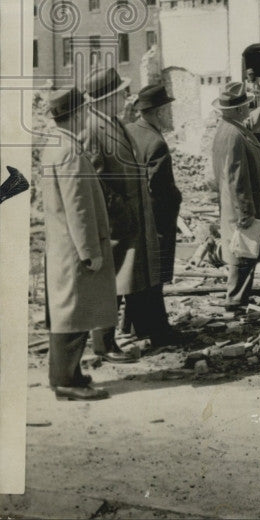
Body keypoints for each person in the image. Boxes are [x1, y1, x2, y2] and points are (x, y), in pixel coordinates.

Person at [82, 66, 162, 361]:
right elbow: (96, 181)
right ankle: (103, 343)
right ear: (106, 98)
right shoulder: (92, 129)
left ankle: (114, 338)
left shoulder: (112, 122)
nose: (125, 98)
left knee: (123, 279)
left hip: (128, 217)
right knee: (109, 283)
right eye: (120, 94)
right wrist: (121, 213)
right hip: (115, 222)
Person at [41, 88, 116, 400]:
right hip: (75, 248)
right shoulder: (70, 151)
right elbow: (79, 207)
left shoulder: (56, 145)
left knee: (68, 312)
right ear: (74, 115)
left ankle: (67, 375)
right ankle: (65, 382)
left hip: (62, 244)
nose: (87, 115)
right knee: (73, 316)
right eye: (83, 111)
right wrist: (90, 252)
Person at [125, 83, 185, 345]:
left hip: (130, 219)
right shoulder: (157, 143)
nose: (170, 114)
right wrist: (177, 198)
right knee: (156, 276)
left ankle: (139, 327)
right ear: (159, 111)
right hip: (155, 222)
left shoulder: (127, 133)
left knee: (138, 276)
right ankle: (158, 332)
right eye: (167, 108)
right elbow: (159, 191)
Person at [211, 81, 260, 313]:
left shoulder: (229, 128)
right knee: (243, 253)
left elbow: (248, 123)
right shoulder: (235, 136)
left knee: (242, 251)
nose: (249, 108)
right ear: (238, 110)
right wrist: (246, 214)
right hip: (241, 205)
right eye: (247, 105)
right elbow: (237, 179)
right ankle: (236, 301)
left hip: (235, 204)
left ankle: (238, 298)